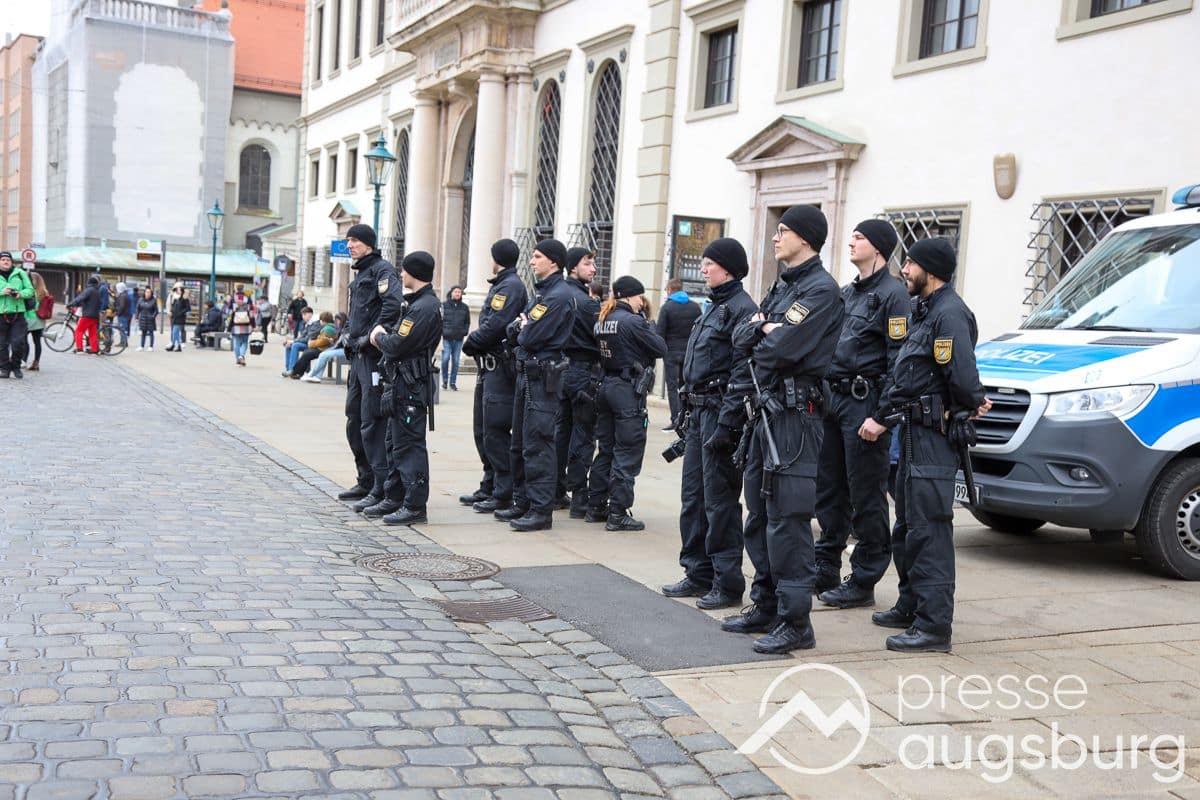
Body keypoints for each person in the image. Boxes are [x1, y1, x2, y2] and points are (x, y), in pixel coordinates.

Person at [720, 205, 844, 655]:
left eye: (784, 230)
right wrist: (762, 330)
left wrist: (763, 333)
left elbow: (778, 349)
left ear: (805, 238)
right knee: (758, 513)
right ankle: (766, 604)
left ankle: (795, 621)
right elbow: (740, 337)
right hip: (766, 412)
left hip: (795, 418)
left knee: (788, 519)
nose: (775, 237)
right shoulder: (783, 286)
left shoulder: (821, 290)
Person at [859, 237, 990, 653]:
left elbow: (962, 376)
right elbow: (910, 374)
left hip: (933, 436)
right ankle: (911, 604)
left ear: (930, 270)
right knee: (908, 526)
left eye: (911, 263)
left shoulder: (949, 314)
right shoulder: (926, 310)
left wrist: (971, 402)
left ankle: (934, 626)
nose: (904, 270)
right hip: (912, 431)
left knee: (929, 529)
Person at [812, 220, 910, 608]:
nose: (851, 242)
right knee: (829, 489)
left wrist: (883, 416)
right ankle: (825, 566)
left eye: (860, 237)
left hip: (864, 403)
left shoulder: (894, 296)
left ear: (879, 248)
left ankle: (864, 578)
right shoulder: (847, 292)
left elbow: (899, 361)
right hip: (834, 400)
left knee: (866, 493)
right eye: (851, 236)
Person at [660, 238, 757, 608]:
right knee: (693, 498)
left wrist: (728, 424)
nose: (702, 269)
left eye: (709, 263)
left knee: (720, 502)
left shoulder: (742, 309)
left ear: (728, 269)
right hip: (699, 412)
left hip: (719, 413)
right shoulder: (713, 306)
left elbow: (742, 372)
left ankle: (726, 582)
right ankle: (697, 572)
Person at [501, 238, 575, 532]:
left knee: (538, 443)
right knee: (520, 443)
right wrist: (521, 327)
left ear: (553, 261)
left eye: (537, 256)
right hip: (529, 373)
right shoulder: (543, 292)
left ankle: (540, 510)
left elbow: (528, 336)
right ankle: (523, 502)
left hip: (542, 376)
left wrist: (523, 328)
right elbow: (513, 329)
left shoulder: (557, 296)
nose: (531, 261)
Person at [586, 275, 668, 531]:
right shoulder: (633, 321)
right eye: (639, 297)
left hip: (606, 387)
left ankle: (596, 505)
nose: (641, 302)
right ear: (631, 296)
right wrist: (648, 325)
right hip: (626, 390)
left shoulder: (603, 319)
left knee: (606, 449)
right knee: (627, 450)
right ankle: (618, 513)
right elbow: (660, 348)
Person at [369, 251, 444, 524]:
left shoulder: (423, 307)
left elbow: (397, 344)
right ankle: (395, 497)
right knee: (395, 442)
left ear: (414, 272)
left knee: (409, 445)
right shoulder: (418, 304)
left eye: (404, 270)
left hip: (410, 386)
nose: (401, 274)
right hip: (402, 384)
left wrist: (378, 337)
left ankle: (414, 505)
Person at [337, 223, 405, 509]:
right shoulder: (362, 272)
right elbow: (356, 314)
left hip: (372, 357)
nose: (349, 245)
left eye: (354, 240)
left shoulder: (382, 271)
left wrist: (368, 338)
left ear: (368, 243)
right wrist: (347, 335)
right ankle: (365, 478)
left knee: (372, 422)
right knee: (354, 418)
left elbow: (391, 307)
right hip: (357, 356)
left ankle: (380, 486)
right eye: (348, 241)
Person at [459, 240, 528, 513]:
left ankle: (503, 491)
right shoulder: (502, 284)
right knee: (483, 431)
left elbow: (495, 325)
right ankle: (489, 484)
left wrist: (471, 342)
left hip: (500, 368)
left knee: (496, 430)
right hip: (488, 367)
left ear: (496, 258)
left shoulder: (510, 286)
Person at [556, 247, 601, 518]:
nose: (593, 268)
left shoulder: (559, 295)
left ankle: (556, 490)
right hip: (582, 371)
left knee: (562, 431)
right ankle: (579, 496)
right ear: (573, 267)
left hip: (561, 370)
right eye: (588, 263)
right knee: (582, 434)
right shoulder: (585, 303)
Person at [656, 278, 701, 431]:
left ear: (669, 290)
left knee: (672, 387)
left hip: (671, 353)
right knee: (686, 386)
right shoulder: (695, 307)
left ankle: (675, 419)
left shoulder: (666, 308)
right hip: (688, 353)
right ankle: (686, 418)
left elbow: (660, 333)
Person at [0, 252, 34, 378]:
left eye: (8, 260)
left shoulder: (20, 273)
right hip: (1, 314)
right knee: (1, 345)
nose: (5, 262)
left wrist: (20, 294)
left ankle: (16, 367)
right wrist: (2, 292)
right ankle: (4, 368)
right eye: (3, 259)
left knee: (18, 343)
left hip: (18, 314)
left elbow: (30, 290)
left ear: (11, 262)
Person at [288, 313, 343, 379]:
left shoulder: (328, 329)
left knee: (307, 354)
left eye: (320, 320)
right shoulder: (329, 327)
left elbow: (322, 341)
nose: (320, 322)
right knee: (307, 352)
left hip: (323, 349)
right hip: (323, 348)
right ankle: (298, 372)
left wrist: (311, 344)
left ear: (323, 321)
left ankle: (296, 372)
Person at [440, 286, 469, 391]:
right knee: (445, 359)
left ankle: (452, 382)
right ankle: (445, 380)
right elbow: (440, 320)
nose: (457, 294)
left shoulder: (465, 307)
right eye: (455, 292)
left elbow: (467, 322)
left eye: (459, 292)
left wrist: (464, 331)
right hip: (447, 337)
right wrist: (442, 331)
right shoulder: (444, 305)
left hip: (458, 338)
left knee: (456, 361)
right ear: (451, 293)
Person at [68, 275, 104, 355]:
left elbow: (80, 298)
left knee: (78, 331)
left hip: (87, 315)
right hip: (95, 316)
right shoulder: (97, 291)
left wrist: (70, 304)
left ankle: (79, 348)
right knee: (92, 333)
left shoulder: (89, 290)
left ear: (89, 283)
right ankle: (94, 350)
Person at [25, 271, 54, 371]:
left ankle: (24, 360)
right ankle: (36, 362)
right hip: (40, 320)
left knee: (23, 340)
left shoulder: (30, 292)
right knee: (37, 342)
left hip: (29, 318)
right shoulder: (44, 293)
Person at [282, 307, 319, 373]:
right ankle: (288, 369)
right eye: (302, 315)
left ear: (310, 314)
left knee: (295, 345)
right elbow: (302, 336)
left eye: (304, 314)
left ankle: (292, 370)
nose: (303, 317)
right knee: (289, 345)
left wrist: (293, 342)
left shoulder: (315, 323)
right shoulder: (308, 323)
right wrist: (291, 341)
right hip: (307, 343)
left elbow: (308, 338)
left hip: (312, 344)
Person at [227, 286, 256, 365]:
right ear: (243, 289)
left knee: (236, 342)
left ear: (236, 289)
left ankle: (238, 359)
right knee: (244, 341)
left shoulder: (233, 298)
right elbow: (251, 313)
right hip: (246, 323)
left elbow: (229, 312)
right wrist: (253, 325)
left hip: (235, 324)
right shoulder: (248, 298)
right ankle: (241, 356)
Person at [166, 284, 191, 352]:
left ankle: (174, 345)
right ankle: (177, 346)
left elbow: (188, 308)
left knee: (175, 332)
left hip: (180, 318)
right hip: (174, 317)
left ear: (182, 290)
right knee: (175, 333)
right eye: (177, 289)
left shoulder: (185, 299)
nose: (177, 290)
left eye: (179, 289)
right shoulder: (176, 298)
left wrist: (180, 312)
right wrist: (171, 311)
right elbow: (173, 306)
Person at [114, 282, 131, 346]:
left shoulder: (122, 296)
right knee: (122, 329)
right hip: (125, 314)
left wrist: (118, 313)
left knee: (122, 329)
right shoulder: (125, 294)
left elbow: (122, 306)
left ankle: (123, 342)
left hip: (123, 315)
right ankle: (123, 342)